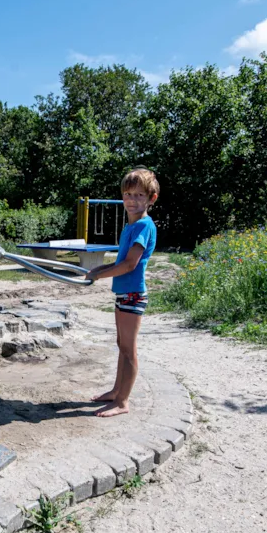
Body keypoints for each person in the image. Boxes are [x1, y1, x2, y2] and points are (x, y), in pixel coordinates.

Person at [86, 168, 159, 418]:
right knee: (121, 345)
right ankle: (117, 391)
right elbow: (120, 261)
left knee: (129, 350)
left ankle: (123, 402)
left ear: (152, 198)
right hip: (124, 294)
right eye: (128, 194)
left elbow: (130, 265)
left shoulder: (143, 227)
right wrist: (100, 268)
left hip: (133, 295)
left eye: (139, 195)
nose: (132, 199)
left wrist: (100, 274)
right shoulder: (130, 226)